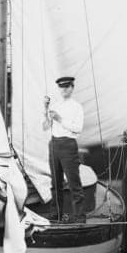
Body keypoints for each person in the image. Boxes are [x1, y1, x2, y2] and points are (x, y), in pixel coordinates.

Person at [43, 76, 85, 224]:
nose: (64, 89)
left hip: (68, 145)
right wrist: (45, 109)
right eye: (62, 87)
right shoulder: (56, 105)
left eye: (67, 86)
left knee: (74, 183)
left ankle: (79, 217)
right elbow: (45, 127)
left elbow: (78, 129)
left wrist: (60, 119)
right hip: (54, 144)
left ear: (72, 88)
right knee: (55, 183)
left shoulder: (77, 107)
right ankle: (57, 214)